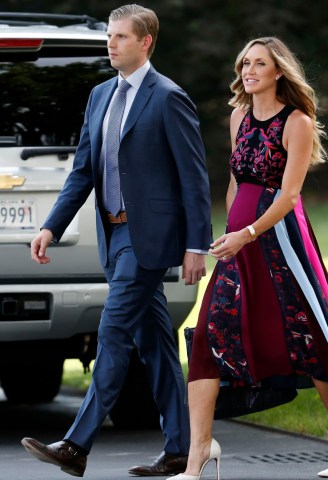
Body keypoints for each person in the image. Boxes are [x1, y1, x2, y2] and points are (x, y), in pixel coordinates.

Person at [21, 4, 212, 478]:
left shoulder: (168, 97)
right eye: (109, 35)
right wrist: (51, 226)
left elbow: (194, 179)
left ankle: (76, 444)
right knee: (155, 345)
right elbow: (83, 171)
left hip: (149, 238)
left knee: (111, 330)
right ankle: (183, 450)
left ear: (145, 42)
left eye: (121, 37)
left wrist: (196, 245)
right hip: (113, 234)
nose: (111, 43)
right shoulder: (99, 95)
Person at [168, 37, 328, 480]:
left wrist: (248, 233)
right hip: (236, 243)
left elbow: (290, 195)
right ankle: (198, 452)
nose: (249, 70)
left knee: (310, 335)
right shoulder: (238, 116)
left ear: (279, 72)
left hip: (282, 242)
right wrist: (229, 234)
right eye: (245, 64)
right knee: (207, 338)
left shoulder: (298, 121)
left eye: (259, 63)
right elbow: (237, 182)